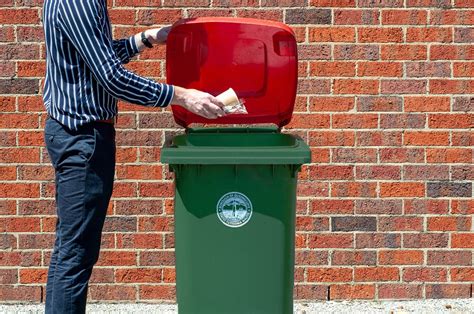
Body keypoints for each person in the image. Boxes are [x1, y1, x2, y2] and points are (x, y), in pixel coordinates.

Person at [42, 0, 225, 313]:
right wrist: (180, 95)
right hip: (83, 138)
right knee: (75, 255)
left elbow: (95, 55)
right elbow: (111, 77)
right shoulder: (80, 3)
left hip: (74, 134)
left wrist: (148, 37)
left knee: (70, 251)